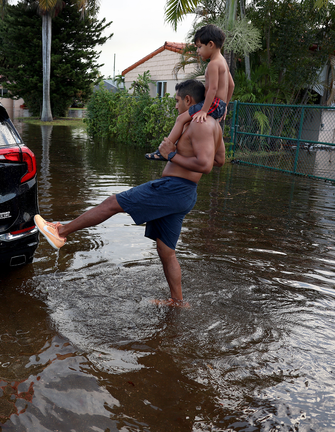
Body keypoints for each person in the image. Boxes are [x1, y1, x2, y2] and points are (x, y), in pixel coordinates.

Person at [34, 80, 224, 307]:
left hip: (173, 189)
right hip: (183, 193)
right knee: (166, 251)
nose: (176, 107)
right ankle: (177, 301)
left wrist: (170, 156)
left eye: (176, 101)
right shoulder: (214, 125)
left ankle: (61, 232)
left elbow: (206, 165)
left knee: (113, 202)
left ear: (188, 100)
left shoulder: (200, 125)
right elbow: (220, 159)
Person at [146, 24, 234, 164]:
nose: (198, 51)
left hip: (213, 104)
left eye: (199, 47)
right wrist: (225, 106)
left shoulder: (213, 64)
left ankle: (163, 151)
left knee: (181, 119)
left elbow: (212, 89)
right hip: (220, 105)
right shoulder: (223, 61)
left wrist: (204, 111)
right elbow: (232, 85)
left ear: (210, 44)